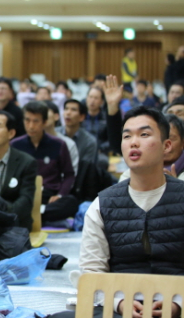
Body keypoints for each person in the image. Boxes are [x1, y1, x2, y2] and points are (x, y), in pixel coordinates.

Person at [52, 106, 184, 318]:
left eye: (144, 134)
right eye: (126, 136)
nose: (133, 142)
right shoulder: (103, 203)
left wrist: (176, 304)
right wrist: (120, 303)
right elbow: (92, 272)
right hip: (120, 307)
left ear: (166, 146)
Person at [11, 101, 78, 223]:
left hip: (49, 195)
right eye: (27, 120)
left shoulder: (59, 144)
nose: (31, 126)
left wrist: (60, 195)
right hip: (24, 195)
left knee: (71, 202)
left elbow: (69, 174)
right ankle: (37, 214)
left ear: (45, 122)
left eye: (36, 121)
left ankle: (34, 213)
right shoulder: (15, 145)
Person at [0, 111, 37, 230]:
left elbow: (25, 201)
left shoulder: (26, 162)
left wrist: (2, 215)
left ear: (11, 133)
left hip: (14, 224)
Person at [119, 114, 184, 181]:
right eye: (127, 136)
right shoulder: (132, 173)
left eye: (171, 138)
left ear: (183, 142)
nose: (165, 146)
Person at [44, 101, 79, 176]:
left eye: (45, 112)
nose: (42, 116)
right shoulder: (26, 142)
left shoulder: (68, 144)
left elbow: (70, 176)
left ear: (56, 116)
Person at [58, 99, 98, 164]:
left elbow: (86, 168)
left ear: (82, 117)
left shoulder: (89, 141)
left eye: (73, 110)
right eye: (66, 109)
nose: (68, 113)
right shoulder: (54, 134)